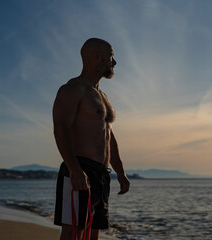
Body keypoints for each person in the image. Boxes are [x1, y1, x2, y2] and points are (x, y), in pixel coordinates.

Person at [53, 38, 130, 240]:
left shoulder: (102, 96)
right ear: (97, 57)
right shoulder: (73, 89)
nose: (114, 62)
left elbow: (108, 136)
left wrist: (120, 172)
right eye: (111, 56)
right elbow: (60, 129)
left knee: (93, 232)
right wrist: (74, 169)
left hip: (101, 173)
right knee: (73, 231)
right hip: (80, 168)